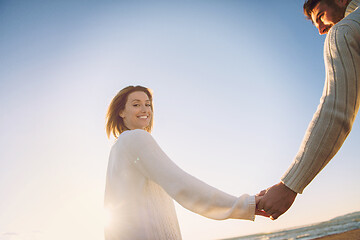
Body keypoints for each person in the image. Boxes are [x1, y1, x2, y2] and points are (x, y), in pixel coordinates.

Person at [104, 85, 269, 240]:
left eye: (148, 104)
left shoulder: (118, 147)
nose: (145, 109)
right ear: (121, 112)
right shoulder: (135, 138)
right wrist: (244, 205)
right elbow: (181, 184)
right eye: (136, 104)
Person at [258, 0, 360, 220]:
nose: (322, 29)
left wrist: (289, 186)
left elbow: (337, 110)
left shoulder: (344, 31)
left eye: (321, 15)